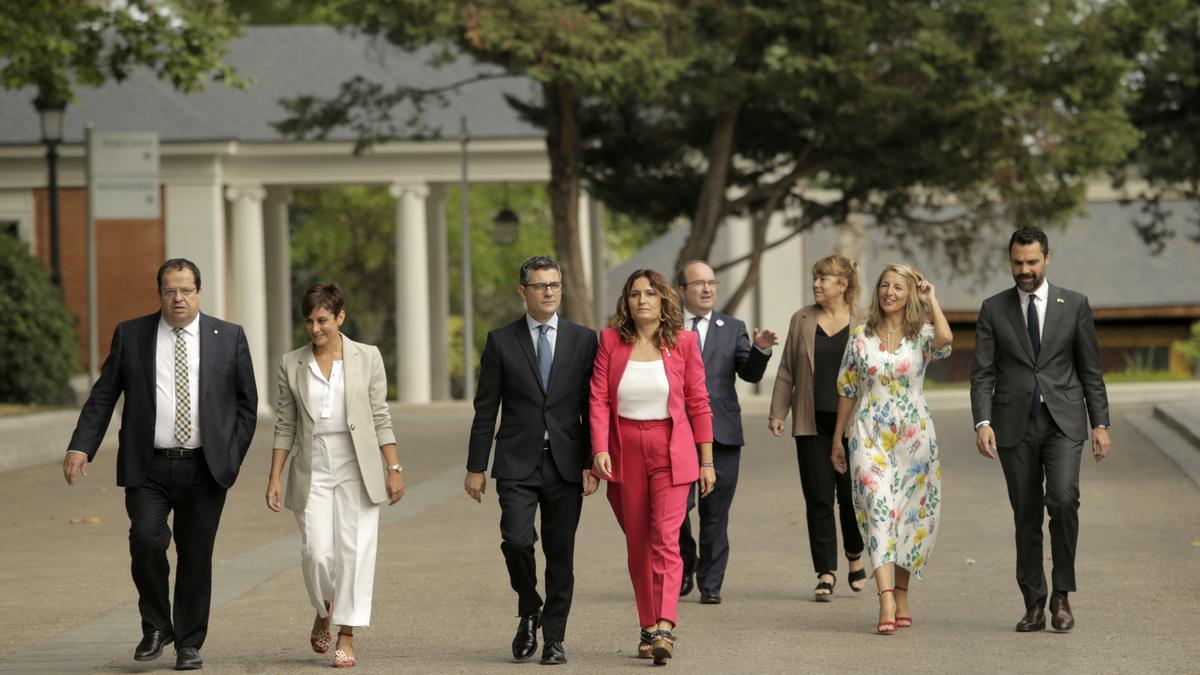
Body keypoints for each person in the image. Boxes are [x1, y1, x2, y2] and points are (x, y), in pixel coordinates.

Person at [62, 258, 257, 670]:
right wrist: (81, 446)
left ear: (199, 292)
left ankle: (188, 642)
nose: (178, 298)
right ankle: (155, 626)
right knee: (146, 541)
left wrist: (231, 455)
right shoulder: (132, 335)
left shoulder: (229, 337)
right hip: (147, 466)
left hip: (205, 468)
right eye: (170, 290)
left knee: (195, 556)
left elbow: (246, 404)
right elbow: (104, 395)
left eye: (186, 289)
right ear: (160, 294)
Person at [970, 226, 1110, 633]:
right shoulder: (993, 309)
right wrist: (982, 421)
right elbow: (982, 374)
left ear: (1047, 257)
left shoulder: (1075, 305)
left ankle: (1061, 594)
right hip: (1014, 425)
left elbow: (1091, 370)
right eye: (1017, 263)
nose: (1024, 270)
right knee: (1026, 515)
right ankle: (1034, 602)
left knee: (1064, 500)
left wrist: (1100, 422)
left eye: (1031, 262)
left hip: (1064, 422)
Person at [466, 256, 599, 665]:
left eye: (555, 285)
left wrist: (593, 460)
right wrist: (476, 466)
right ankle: (529, 607)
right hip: (516, 461)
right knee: (517, 540)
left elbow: (593, 405)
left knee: (561, 554)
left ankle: (554, 638)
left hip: (566, 462)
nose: (549, 293)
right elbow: (486, 407)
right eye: (540, 286)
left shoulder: (584, 340)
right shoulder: (501, 340)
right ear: (523, 291)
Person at [265, 283, 404, 668]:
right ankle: (324, 606)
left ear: (340, 317)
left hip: (357, 464)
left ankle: (346, 632)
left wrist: (393, 468)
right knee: (316, 552)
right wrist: (275, 477)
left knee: (355, 552)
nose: (315, 328)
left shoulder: (368, 357)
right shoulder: (291, 363)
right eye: (309, 320)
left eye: (323, 319)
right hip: (312, 465)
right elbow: (284, 424)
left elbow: (380, 416)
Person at [590, 269, 714, 665]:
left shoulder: (683, 343)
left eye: (649, 294)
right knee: (638, 543)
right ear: (626, 303)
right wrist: (597, 449)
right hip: (623, 448)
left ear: (663, 300)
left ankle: (665, 625)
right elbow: (597, 400)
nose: (641, 300)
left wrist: (707, 460)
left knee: (665, 537)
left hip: (670, 449)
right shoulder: (610, 341)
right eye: (634, 294)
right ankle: (647, 625)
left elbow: (698, 402)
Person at [831, 263, 952, 634]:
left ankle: (902, 593)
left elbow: (947, 341)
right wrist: (839, 437)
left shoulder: (922, 336)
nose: (890, 292)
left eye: (898, 287)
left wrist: (931, 300)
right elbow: (848, 388)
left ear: (909, 293)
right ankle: (884, 597)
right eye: (884, 285)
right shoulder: (859, 337)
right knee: (878, 508)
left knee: (910, 519)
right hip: (870, 434)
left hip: (915, 439)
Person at [675, 260, 776, 604]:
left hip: (723, 434)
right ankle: (685, 560)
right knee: (676, 509)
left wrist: (761, 349)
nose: (707, 289)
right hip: (678, 433)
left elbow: (749, 374)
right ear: (682, 290)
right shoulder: (667, 327)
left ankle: (711, 582)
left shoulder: (732, 327)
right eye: (698, 283)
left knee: (715, 513)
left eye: (712, 283)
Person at [768, 254, 868, 601]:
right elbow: (786, 371)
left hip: (854, 426)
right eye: (815, 278)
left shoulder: (864, 321)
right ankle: (825, 571)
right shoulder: (802, 319)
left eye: (824, 278)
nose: (817, 284)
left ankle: (855, 555)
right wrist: (778, 412)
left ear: (843, 284)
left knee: (852, 498)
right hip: (811, 421)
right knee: (818, 498)